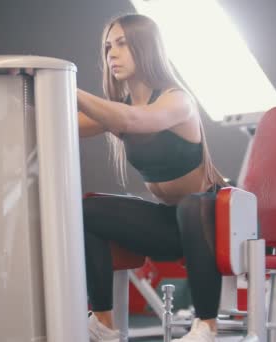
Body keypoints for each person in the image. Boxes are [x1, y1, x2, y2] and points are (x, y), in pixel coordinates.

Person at [77, 13, 227, 342]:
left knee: (190, 205)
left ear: (145, 48)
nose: (111, 54)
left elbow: (132, 120)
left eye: (121, 44)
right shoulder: (121, 108)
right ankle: (103, 322)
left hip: (212, 217)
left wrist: (66, 87)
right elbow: (69, 122)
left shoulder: (177, 99)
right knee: (85, 211)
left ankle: (207, 327)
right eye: (107, 47)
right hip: (172, 224)